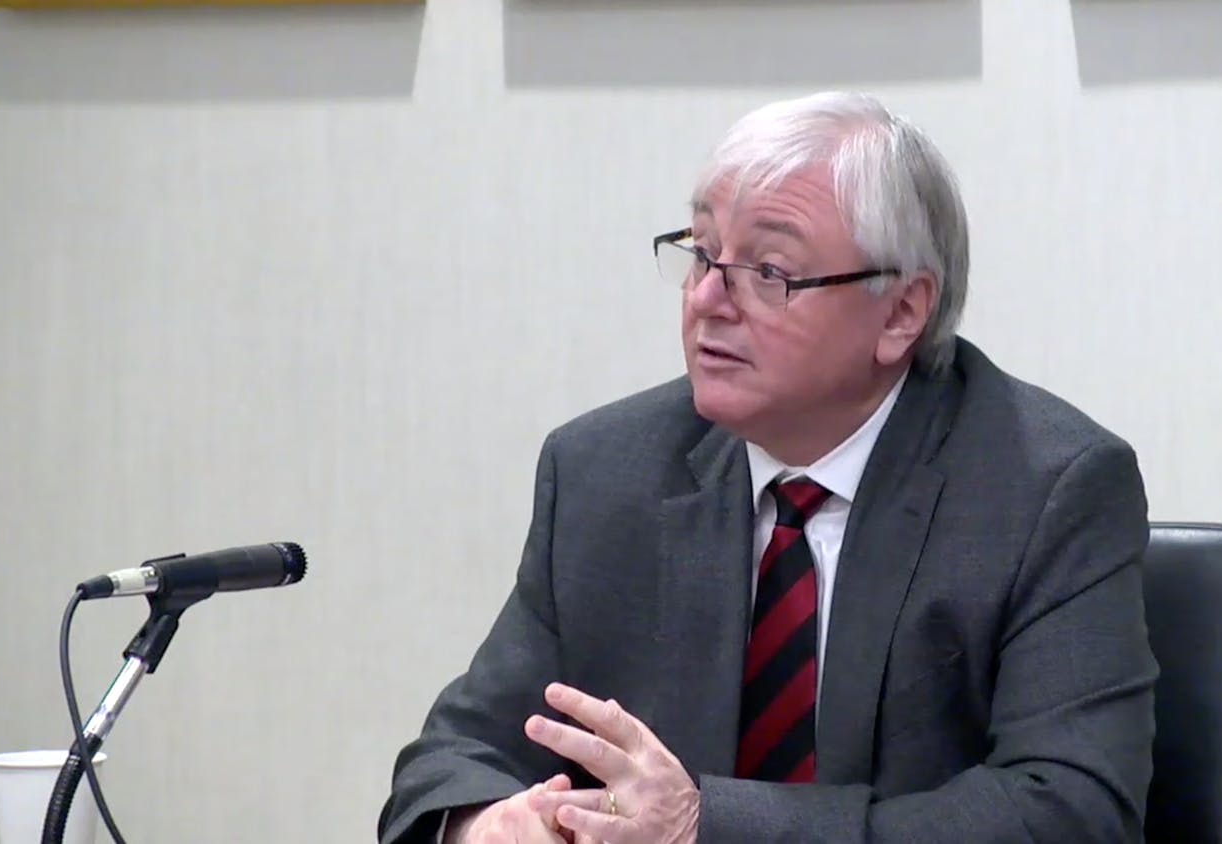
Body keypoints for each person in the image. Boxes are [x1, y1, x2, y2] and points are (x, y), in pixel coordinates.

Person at [380, 91, 1157, 844]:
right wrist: (483, 823)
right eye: (701, 253)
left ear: (900, 312)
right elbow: (457, 757)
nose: (707, 300)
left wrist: (707, 828)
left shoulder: (1046, 488)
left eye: (769, 272)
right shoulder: (604, 472)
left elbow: (1069, 812)